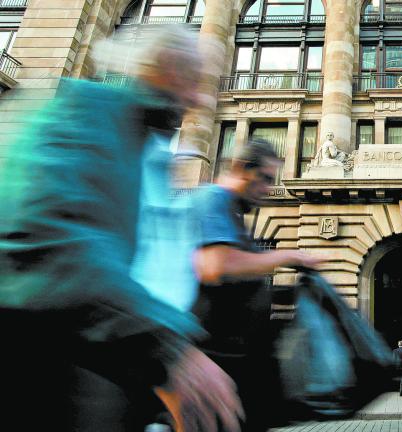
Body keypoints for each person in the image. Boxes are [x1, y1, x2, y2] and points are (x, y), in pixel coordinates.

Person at [0, 26, 243, 432]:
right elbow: (50, 239)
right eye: (195, 81)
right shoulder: (87, 110)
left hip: (122, 378)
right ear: (164, 69)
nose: (201, 99)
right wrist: (168, 350)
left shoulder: (147, 147)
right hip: (58, 383)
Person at [190, 138, 322, 431]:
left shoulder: (233, 215)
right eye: (263, 178)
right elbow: (217, 266)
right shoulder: (212, 198)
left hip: (236, 371)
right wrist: (287, 255)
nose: (267, 189)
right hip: (212, 369)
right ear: (240, 168)